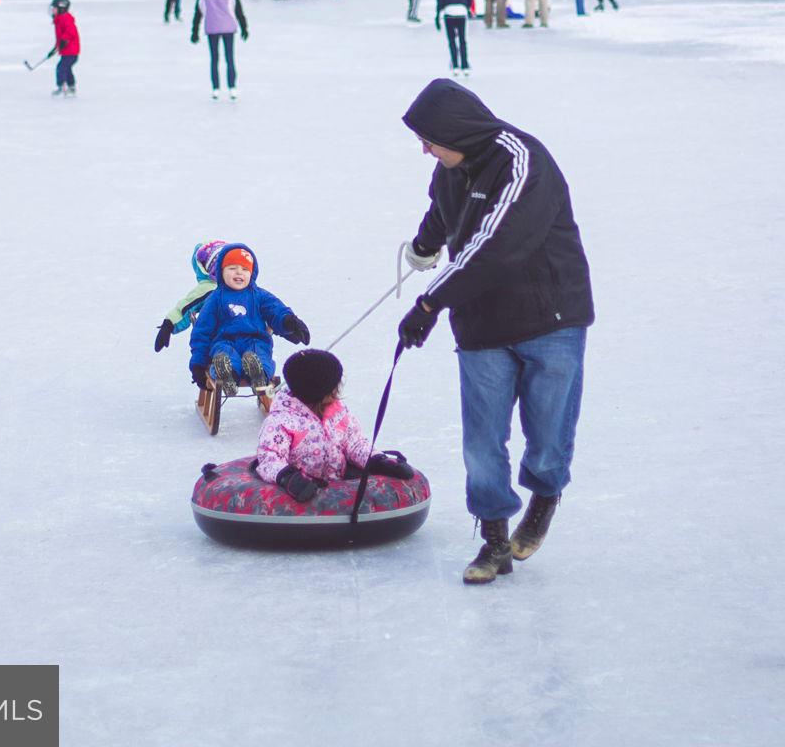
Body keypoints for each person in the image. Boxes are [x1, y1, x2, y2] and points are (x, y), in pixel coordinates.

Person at [396, 78, 594, 584]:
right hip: (481, 323)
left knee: (548, 435)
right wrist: (424, 245)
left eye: (429, 139)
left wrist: (429, 303)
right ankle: (494, 540)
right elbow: (443, 210)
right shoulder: (450, 168)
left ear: (454, 131)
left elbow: (496, 246)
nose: (423, 149)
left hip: (550, 317)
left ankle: (544, 497)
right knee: (482, 442)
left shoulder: (523, 160)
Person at [255, 350, 411, 501]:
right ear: (318, 391)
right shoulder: (281, 421)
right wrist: (288, 478)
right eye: (335, 386)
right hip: (299, 491)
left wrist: (377, 462)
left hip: (337, 484)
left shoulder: (337, 413)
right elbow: (269, 457)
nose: (338, 389)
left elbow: (355, 443)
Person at [189, 244, 310, 399]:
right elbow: (202, 331)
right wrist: (198, 364)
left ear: (252, 273)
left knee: (258, 354)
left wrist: (289, 322)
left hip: (255, 340)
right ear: (221, 272)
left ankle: (258, 373)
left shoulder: (259, 295)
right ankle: (227, 375)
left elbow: (276, 310)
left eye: (245, 269)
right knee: (223, 354)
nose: (239, 272)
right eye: (232, 268)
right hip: (224, 341)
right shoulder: (215, 299)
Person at [153, 240, 225, 353]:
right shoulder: (209, 289)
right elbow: (186, 307)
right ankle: (222, 365)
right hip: (220, 336)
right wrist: (169, 325)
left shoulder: (245, 288)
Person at [191, 0, 248, 100]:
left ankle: (215, 89)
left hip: (212, 27)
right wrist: (244, 28)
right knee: (229, 58)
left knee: (214, 59)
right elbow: (238, 10)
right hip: (228, 27)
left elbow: (198, 13)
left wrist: (194, 31)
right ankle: (232, 88)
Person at [435, 0, 472, 77]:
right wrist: (466, 7)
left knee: (452, 41)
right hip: (461, 12)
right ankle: (465, 66)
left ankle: (455, 66)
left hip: (449, 13)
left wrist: (437, 16)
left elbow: (440, 1)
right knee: (462, 40)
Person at [49, 0, 80, 96]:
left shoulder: (65, 18)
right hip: (67, 51)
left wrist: (64, 41)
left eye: (54, 8)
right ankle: (71, 86)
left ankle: (62, 86)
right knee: (66, 68)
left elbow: (70, 32)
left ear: (61, 8)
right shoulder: (59, 20)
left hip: (71, 52)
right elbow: (60, 37)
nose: (52, 11)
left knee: (61, 68)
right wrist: (55, 48)